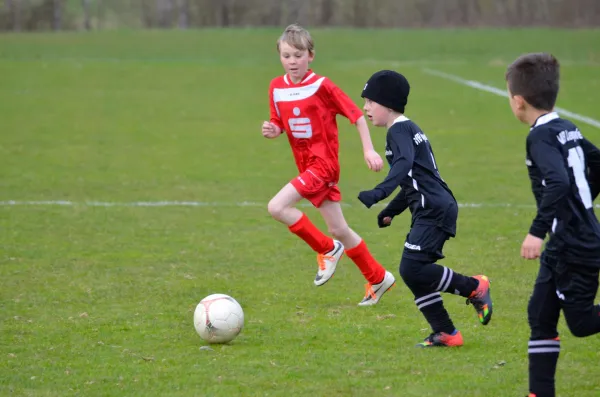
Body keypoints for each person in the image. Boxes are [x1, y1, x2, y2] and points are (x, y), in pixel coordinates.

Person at [261, 24, 395, 306]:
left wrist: (368, 150)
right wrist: (273, 129)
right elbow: (279, 122)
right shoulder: (275, 87)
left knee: (277, 207)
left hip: (322, 166)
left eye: (298, 55)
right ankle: (378, 277)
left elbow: (357, 116)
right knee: (340, 229)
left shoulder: (322, 86)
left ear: (311, 55)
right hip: (305, 166)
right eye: (286, 56)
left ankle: (326, 249)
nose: (292, 61)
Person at [357, 69, 493, 346]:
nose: (365, 107)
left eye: (371, 101)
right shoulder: (408, 128)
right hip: (431, 205)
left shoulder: (398, 131)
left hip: (434, 208)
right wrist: (391, 210)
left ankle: (475, 287)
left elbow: (404, 165)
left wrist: (379, 192)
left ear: (389, 103)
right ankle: (446, 333)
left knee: (412, 269)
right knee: (413, 271)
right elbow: (415, 179)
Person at [505, 52, 600, 397]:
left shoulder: (540, 137)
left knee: (582, 322)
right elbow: (598, 162)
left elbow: (558, 183)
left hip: (575, 243)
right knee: (540, 314)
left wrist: (536, 231)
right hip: (568, 238)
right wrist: (582, 203)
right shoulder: (566, 127)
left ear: (518, 101)